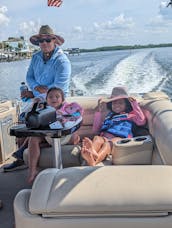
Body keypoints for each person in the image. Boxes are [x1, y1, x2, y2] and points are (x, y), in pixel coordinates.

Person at [4, 25, 71, 172]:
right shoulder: (35, 57)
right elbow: (30, 77)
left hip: (56, 100)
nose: (44, 43)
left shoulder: (62, 61)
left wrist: (36, 94)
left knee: (34, 118)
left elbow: (58, 88)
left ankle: (22, 154)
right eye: (41, 40)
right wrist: (36, 89)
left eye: (48, 40)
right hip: (38, 97)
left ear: (54, 41)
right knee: (23, 118)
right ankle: (21, 156)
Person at [27, 87, 82, 184]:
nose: (54, 99)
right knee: (33, 138)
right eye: (51, 97)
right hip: (50, 136)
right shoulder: (43, 110)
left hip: (66, 137)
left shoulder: (69, 108)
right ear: (46, 99)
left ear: (62, 99)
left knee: (75, 136)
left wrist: (64, 117)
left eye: (57, 96)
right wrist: (35, 107)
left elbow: (78, 115)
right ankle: (32, 171)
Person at [81, 86, 146, 166]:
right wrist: (98, 112)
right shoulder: (109, 116)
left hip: (119, 139)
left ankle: (93, 161)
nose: (116, 105)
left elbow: (141, 121)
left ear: (127, 105)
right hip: (104, 137)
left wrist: (135, 104)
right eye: (114, 103)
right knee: (97, 138)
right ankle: (92, 151)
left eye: (120, 103)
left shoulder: (130, 115)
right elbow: (96, 130)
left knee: (108, 144)